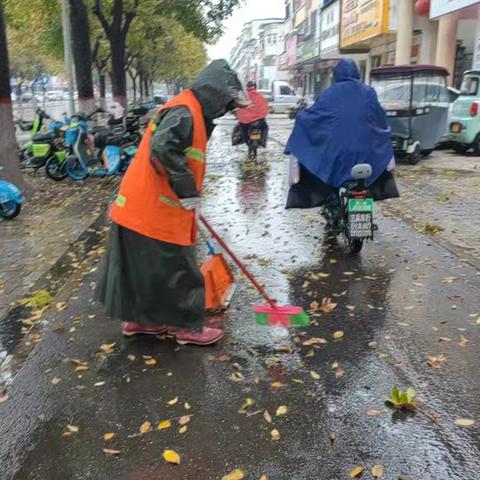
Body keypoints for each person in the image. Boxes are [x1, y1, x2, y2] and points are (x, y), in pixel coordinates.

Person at [97, 60, 249, 346]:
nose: (227, 109)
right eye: (227, 102)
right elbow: (163, 147)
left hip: (139, 206)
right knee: (180, 268)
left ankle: (140, 321)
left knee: (145, 269)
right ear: (215, 92)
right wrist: (187, 190)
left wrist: (189, 191)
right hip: (155, 208)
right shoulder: (186, 111)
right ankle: (187, 327)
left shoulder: (189, 109)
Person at [285, 59, 399, 210]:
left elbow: (315, 116)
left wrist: (301, 119)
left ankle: (332, 205)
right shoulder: (368, 92)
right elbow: (380, 117)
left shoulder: (330, 93)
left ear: (336, 74)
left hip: (337, 154)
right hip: (366, 154)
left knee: (326, 170)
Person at [235, 81, 269, 146]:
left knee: (241, 129)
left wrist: (238, 114)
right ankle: (263, 141)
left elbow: (238, 107)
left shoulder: (242, 96)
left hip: (245, 121)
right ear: (255, 87)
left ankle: (243, 140)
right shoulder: (260, 96)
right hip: (258, 119)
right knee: (265, 127)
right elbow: (265, 107)